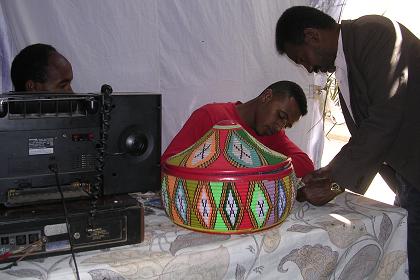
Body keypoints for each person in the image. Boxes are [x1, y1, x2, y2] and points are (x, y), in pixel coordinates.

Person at [276, 6, 420, 278]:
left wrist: (336, 181)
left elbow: (385, 117)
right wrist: (331, 171)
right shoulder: (347, 62)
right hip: (408, 178)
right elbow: (366, 131)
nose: (308, 68)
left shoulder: (376, 33)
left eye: (301, 58)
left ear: (312, 36)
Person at [162, 80, 315, 178]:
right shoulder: (211, 116)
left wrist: (255, 163)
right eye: (281, 116)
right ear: (267, 97)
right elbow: (168, 163)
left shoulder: (273, 133)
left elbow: (305, 165)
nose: (279, 126)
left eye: (286, 125)